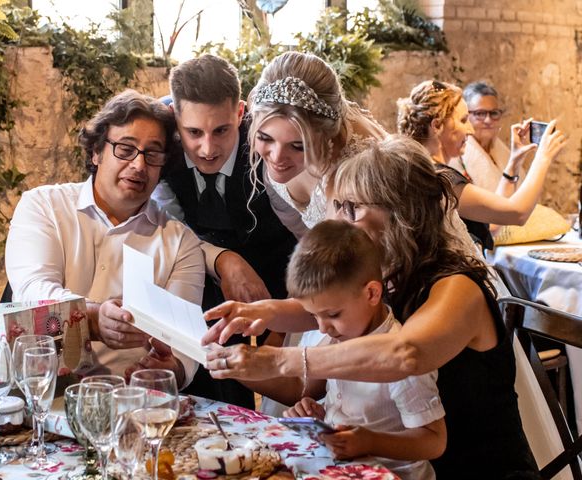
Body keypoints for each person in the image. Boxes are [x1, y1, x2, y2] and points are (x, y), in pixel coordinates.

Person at [202, 136, 540, 479]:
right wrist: (240, 359)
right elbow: (308, 384)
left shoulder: (457, 287)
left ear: (402, 214)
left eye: (351, 208)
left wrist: (280, 357)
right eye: (338, 207)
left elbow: (405, 353)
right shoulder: (380, 282)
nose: (337, 222)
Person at [5, 90, 204, 387]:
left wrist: (169, 368)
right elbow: (31, 294)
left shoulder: (180, 244)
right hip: (37, 398)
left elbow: (184, 349)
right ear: (96, 152)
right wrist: (94, 319)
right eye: (125, 149)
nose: (139, 165)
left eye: (152, 154)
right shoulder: (43, 206)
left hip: (129, 403)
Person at [151, 54, 297, 408]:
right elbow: (165, 226)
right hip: (201, 283)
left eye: (221, 131)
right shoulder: (157, 141)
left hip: (284, 276)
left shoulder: (270, 144)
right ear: (175, 119)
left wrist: (284, 324)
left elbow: (306, 229)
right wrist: (223, 260)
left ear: (241, 113)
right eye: (193, 133)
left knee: (291, 399)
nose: (208, 148)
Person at [281, 220, 446, 480]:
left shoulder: (399, 360)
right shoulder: (341, 336)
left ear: (371, 293)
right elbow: (349, 408)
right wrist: (316, 414)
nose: (323, 329)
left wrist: (369, 442)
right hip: (344, 469)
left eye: (332, 314)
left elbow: (434, 441)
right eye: (314, 316)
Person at [397, 79, 566, 251]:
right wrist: (543, 158)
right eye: (464, 120)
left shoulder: (424, 171)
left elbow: (492, 225)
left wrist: (514, 161)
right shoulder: (441, 179)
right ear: (437, 126)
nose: (470, 130)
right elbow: (518, 213)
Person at [246, 51, 387, 237]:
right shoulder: (263, 99)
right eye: (265, 137)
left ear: (326, 136)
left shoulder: (351, 186)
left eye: (298, 146)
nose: (277, 157)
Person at [450, 81, 534, 193]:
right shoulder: (457, 156)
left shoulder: (502, 151)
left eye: (494, 113)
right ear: (466, 116)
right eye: (480, 113)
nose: (488, 120)